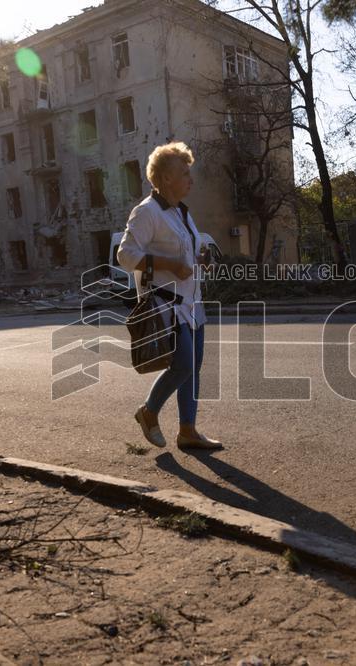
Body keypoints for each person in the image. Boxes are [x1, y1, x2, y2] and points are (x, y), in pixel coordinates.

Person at [116, 141, 223, 451]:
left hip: (192, 303)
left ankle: (187, 430)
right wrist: (169, 265)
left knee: (194, 366)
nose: (191, 178)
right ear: (164, 178)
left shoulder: (182, 213)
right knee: (183, 365)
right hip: (166, 305)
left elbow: (183, 257)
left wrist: (198, 262)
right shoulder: (147, 212)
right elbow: (125, 255)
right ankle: (148, 412)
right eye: (184, 173)